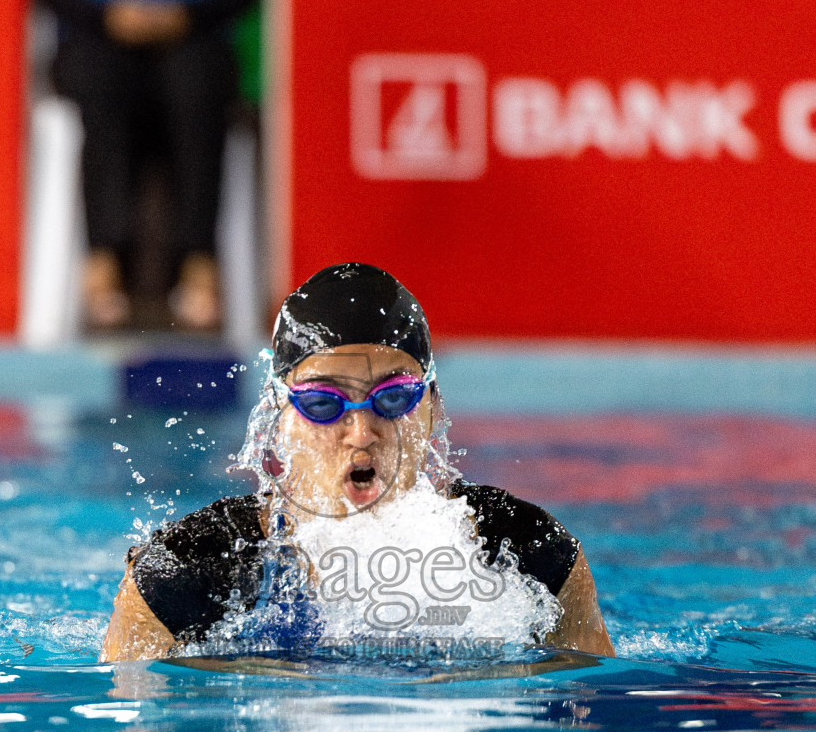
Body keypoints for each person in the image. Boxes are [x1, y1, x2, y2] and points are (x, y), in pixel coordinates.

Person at [100, 263, 615, 661]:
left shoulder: (531, 556)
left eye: (393, 399)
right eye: (323, 403)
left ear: (433, 408)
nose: (361, 433)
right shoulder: (185, 575)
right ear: (280, 419)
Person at [38, 0, 255, 330]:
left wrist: (186, 17)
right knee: (101, 79)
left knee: (196, 81)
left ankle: (199, 260)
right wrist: (107, 18)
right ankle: (102, 257)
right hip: (94, 38)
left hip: (197, 36)